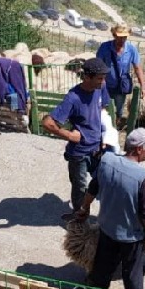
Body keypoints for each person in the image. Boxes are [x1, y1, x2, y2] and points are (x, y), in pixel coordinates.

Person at [74, 127, 145, 289]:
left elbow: (93, 187)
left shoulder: (106, 161)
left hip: (107, 227)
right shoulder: (144, 178)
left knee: (102, 264)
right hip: (131, 236)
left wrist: (85, 207)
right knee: (133, 271)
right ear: (139, 149)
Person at [42, 58, 111, 221]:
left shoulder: (101, 87)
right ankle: (79, 219)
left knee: (105, 182)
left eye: (103, 78)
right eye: (100, 78)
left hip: (98, 148)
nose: (103, 81)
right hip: (79, 153)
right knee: (79, 187)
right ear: (87, 77)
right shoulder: (73, 97)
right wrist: (69, 135)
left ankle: (105, 216)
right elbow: (47, 122)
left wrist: (104, 134)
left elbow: (102, 110)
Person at [95, 23, 145, 129]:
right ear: (114, 35)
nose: (122, 40)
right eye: (119, 37)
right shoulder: (105, 47)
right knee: (102, 107)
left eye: (124, 37)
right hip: (105, 84)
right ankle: (101, 127)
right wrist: (99, 80)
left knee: (119, 109)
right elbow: (98, 64)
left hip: (121, 85)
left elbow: (137, 68)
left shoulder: (131, 49)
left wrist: (143, 86)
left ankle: (115, 127)